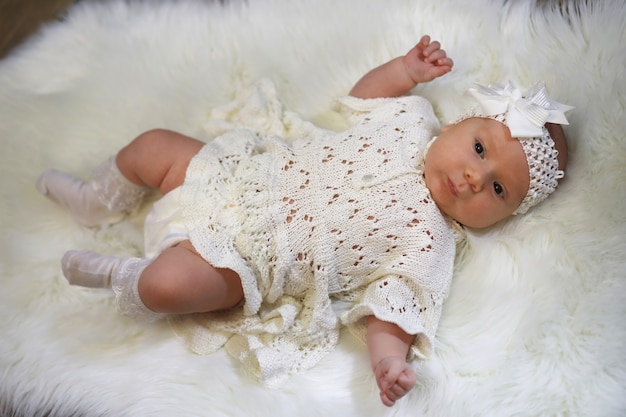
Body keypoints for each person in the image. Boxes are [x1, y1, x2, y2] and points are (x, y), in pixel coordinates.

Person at [36, 35, 571, 407]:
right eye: (479, 148)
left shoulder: (428, 244)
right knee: (155, 146)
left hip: (250, 263)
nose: (475, 177)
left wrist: (388, 363)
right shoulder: (410, 118)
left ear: (504, 214)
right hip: (235, 173)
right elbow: (364, 98)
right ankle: (96, 200)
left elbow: (392, 310)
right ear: (458, 123)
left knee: (169, 284)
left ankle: (116, 274)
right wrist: (406, 72)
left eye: (498, 188)